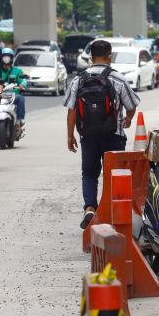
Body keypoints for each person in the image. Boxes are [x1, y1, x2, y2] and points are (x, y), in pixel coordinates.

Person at [63, 40, 141, 229]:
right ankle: (111, 213)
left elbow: (71, 110)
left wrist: (70, 135)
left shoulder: (78, 79)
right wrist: (128, 119)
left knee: (89, 173)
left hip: (88, 136)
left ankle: (90, 208)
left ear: (91, 57)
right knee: (113, 174)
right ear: (109, 55)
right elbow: (131, 106)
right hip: (114, 135)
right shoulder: (118, 78)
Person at [0, 48, 27, 125]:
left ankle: (19, 121)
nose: (6, 61)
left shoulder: (17, 71)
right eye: (4, 57)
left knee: (21, 98)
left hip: (13, 95)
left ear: (12, 59)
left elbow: (23, 79)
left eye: (8, 58)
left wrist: (22, 85)